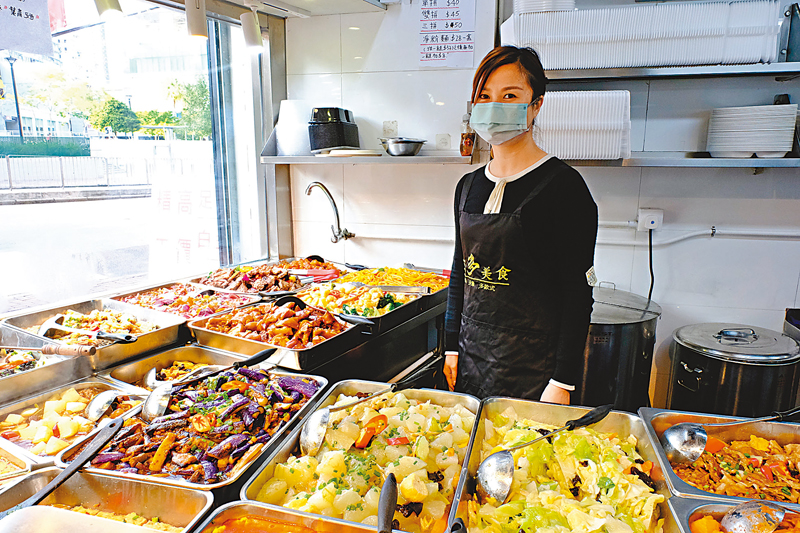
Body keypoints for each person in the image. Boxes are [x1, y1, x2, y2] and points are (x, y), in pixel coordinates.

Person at [443, 46, 598, 404]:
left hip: (535, 372)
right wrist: (451, 347)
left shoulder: (564, 188)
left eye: (509, 95)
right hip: (470, 362)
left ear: (536, 104)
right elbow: (459, 271)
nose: (494, 105)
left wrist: (563, 381)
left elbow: (577, 294)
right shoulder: (467, 187)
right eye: (485, 96)